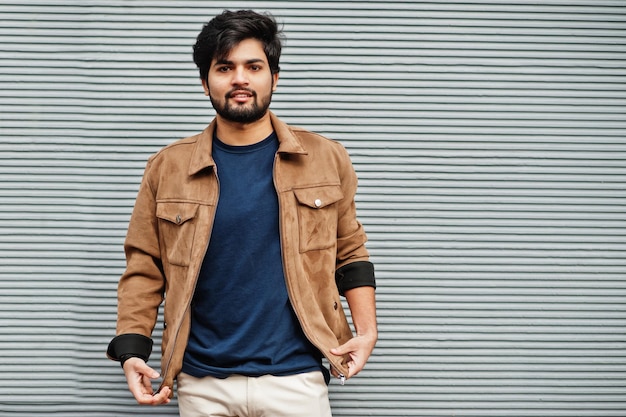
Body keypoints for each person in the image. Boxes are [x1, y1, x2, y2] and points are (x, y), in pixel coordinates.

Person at [106, 9, 377, 417]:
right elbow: (144, 266)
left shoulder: (325, 158)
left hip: (298, 379)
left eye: (254, 66)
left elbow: (350, 252)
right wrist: (132, 351)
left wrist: (367, 331)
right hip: (202, 382)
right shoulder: (167, 167)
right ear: (204, 83)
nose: (240, 79)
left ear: (274, 77)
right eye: (224, 67)